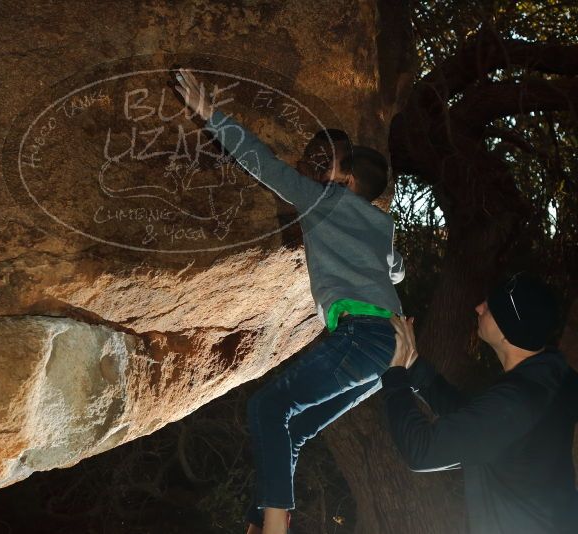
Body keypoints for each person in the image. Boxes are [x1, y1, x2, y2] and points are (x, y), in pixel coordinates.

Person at [173, 68, 405, 534]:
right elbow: (397, 270)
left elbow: (267, 166)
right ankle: (260, 520)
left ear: (349, 181)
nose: (323, 169)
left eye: (336, 167)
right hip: (390, 353)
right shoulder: (382, 226)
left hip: (364, 336)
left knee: (266, 409)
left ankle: (275, 528)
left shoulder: (326, 200)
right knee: (294, 429)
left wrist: (210, 116)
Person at [384, 272, 578, 534]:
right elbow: (477, 422)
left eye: (490, 307)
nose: (479, 307)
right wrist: (413, 365)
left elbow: (420, 450)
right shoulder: (554, 375)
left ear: (508, 332)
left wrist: (394, 372)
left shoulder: (517, 402)